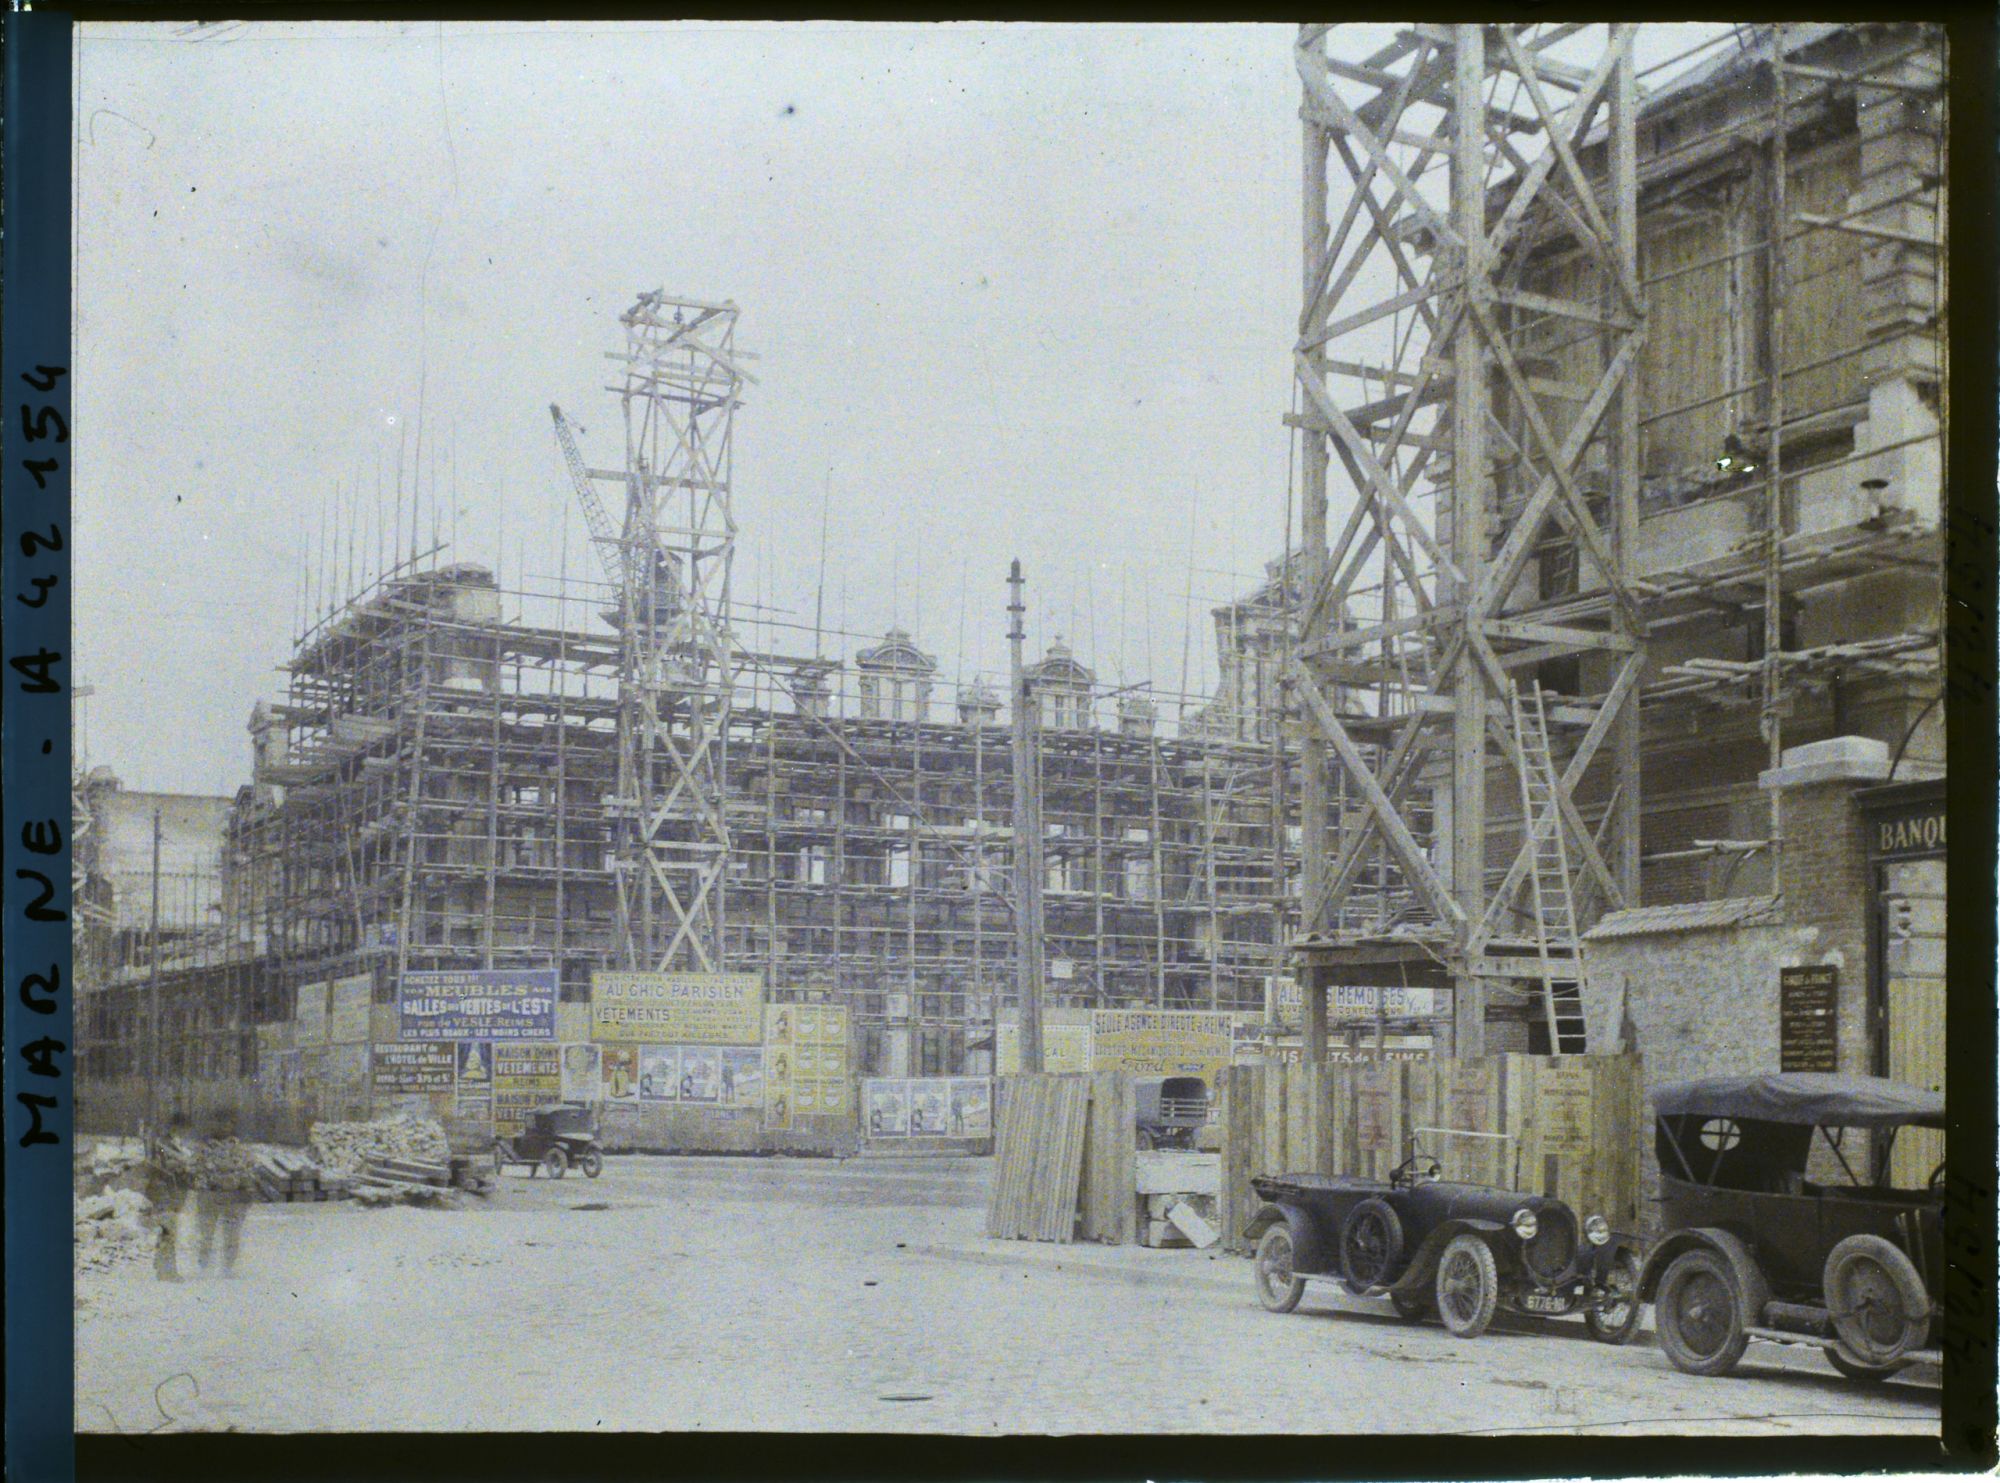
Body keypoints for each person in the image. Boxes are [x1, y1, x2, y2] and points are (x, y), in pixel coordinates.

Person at [192, 1109, 252, 1277]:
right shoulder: (203, 1148)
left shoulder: (240, 1149)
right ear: (213, 1125)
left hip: (233, 1196)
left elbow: (248, 1171)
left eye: (229, 1123)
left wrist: (246, 1191)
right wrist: (204, 1187)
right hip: (210, 1195)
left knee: (232, 1235)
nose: (225, 1127)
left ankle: (228, 1268)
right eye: (221, 1123)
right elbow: (196, 1170)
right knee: (206, 1234)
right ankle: (204, 1268)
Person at [143, 1114, 191, 1282]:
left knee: (168, 1229)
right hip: (163, 1189)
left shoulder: (177, 1144)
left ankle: (160, 1263)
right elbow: (159, 1164)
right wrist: (182, 1165)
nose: (183, 1132)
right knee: (168, 1230)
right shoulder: (162, 1144)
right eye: (181, 1128)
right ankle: (167, 1271)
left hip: (174, 1190)